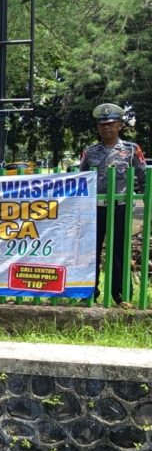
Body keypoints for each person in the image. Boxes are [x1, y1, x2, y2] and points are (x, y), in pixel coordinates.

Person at [80, 103, 146, 308]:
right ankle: (88, 293)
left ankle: (121, 296)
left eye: (111, 123)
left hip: (121, 207)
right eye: (102, 125)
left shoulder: (131, 150)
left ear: (120, 125)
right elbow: (81, 179)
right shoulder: (90, 152)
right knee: (90, 252)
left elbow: (143, 177)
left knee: (120, 252)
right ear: (98, 128)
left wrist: (146, 204)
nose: (106, 127)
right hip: (95, 209)